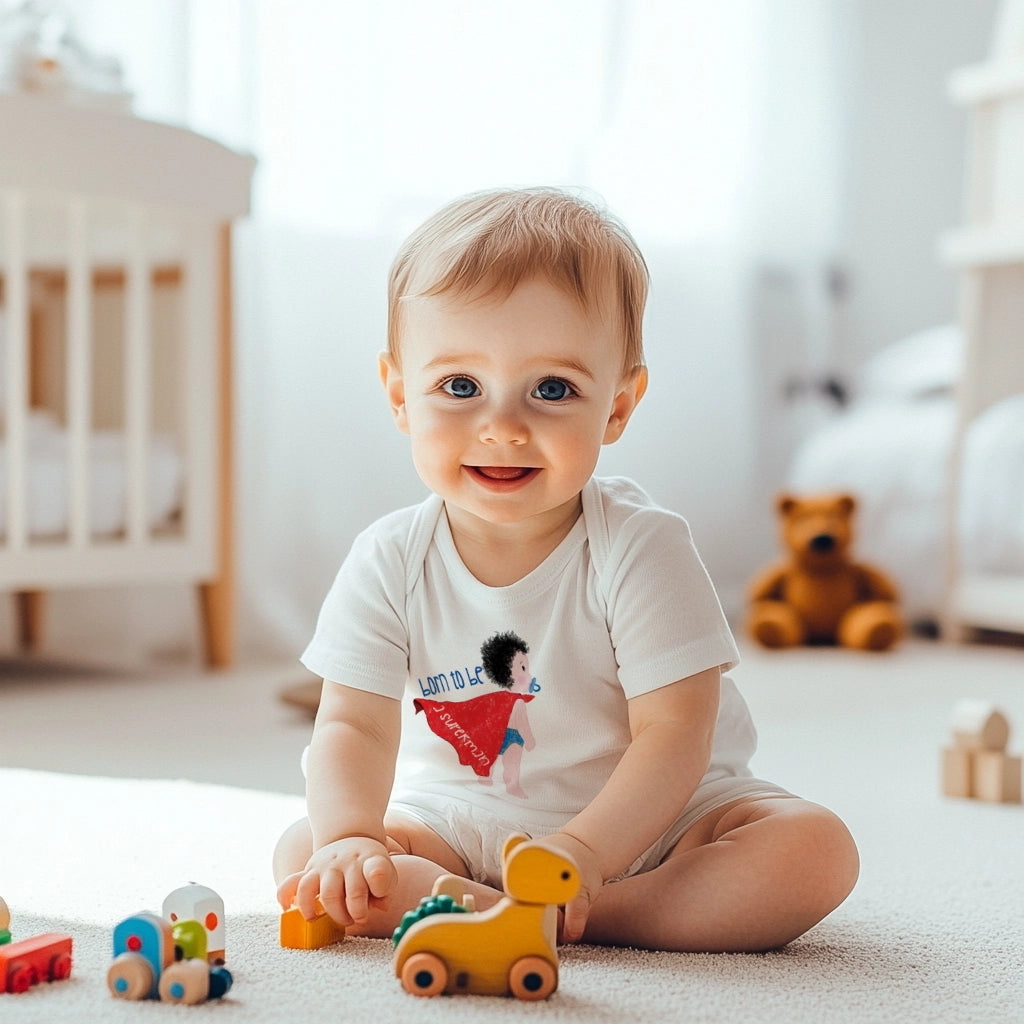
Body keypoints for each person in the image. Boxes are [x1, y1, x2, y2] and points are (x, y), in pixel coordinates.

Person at [273, 187, 859, 952]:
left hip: (658, 826)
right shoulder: (389, 559)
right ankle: (492, 905)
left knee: (815, 850)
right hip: (459, 819)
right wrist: (349, 836)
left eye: (552, 390)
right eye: (460, 387)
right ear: (399, 396)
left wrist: (584, 856)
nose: (503, 426)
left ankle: (586, 919)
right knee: (306, 852)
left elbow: (675, 735)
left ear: (616, 407)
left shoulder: (641, 548)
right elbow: (351, 722)